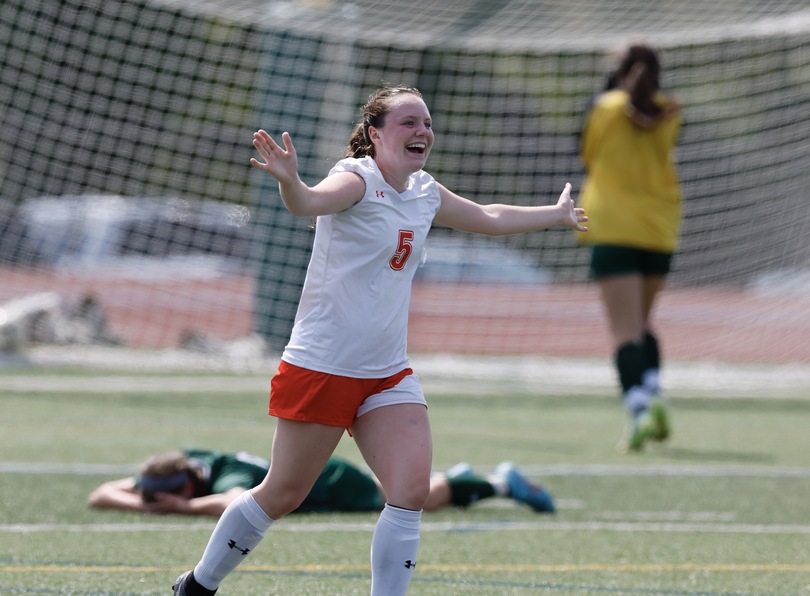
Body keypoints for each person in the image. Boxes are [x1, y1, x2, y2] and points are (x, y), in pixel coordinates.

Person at [173, 83, 587, 596]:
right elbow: (307, 203)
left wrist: (555, 213)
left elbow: (487, 217)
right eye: (409, 122)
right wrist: (289, 182)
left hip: (386, 371)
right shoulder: (356, 179)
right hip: (323, 366)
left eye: (427, 123)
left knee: (410, 490)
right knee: (282, 492)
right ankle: (197, 585)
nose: (423, 132)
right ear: (375, 133)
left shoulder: (424, 192)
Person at [577, 41, 682, 452]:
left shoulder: (604, 108)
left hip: (612, 226)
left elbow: (589, 153)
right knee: (640, 324)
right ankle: (655, 389)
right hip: (660, 228)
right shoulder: (671, 110)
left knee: (624, 332)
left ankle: (640, 408)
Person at [87, 449, 555, 517]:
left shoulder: (227, 473)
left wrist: (185, 509)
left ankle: (500, 484)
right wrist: (144, 503)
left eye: (177, 491)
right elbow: (101, 492)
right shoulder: (188, 465)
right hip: (318, 474)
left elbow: (234, 501)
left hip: (334, 482)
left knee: (414, 500)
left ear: (191, 480)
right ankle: (461, 478)